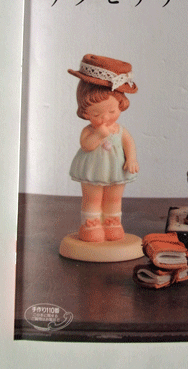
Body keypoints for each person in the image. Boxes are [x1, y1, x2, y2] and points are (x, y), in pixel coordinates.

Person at [68, 54, 139, 243]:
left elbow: (129, 143)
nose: (105, 118)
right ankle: (90, 226)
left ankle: (112, 223)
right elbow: (86, 145)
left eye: (111, 111)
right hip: (93, 170)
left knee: (114, 198)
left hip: (116, 170)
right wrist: (98, 134)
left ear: (121, 106)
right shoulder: (89, 130)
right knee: (93, 199)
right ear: (85, 112)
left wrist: (131, 159)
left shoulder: (120, 130)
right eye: (96, 114)